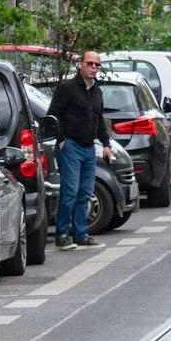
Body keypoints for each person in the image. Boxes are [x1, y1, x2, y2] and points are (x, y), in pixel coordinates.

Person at [46, 51, 110, 250]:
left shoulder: (97, 91)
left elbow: (99, 119)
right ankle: (62, 234)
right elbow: (53, 114)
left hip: (89, 147)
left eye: (96, 65)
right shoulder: (67, 88)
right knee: (70, 191)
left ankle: (81, 234)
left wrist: (106, 144)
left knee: (85, 192)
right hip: (70, 146)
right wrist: (61, 139)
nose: (93, 68)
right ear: (80, 64)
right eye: (89, 63)